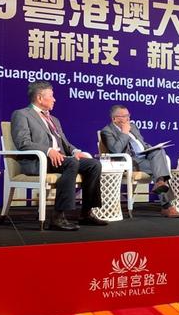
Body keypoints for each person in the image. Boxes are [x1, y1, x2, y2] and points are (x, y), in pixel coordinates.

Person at [11, 81, 107, 230]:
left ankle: (86, 213)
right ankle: (58, 217)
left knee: (93, 164)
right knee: (71, 163)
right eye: (51, 96)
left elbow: (65, 144)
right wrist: (48, 151)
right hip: (39, 161)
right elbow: (22, 143)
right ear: (39, 98)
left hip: (61, 160)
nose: (54, 99)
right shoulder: (22, 114)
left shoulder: (53, 119)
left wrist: (75, 152)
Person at [101, 104, 179, 218]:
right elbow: (116, 150)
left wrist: (151, 148)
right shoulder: (107, 131)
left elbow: (141, 143)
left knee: (159, 151)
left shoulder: (133, 126)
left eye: (128, 115)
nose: (128, 118)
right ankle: (167, 206)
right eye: (124, 116)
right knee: (159, 170)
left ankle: (160, 183)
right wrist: (124, 133)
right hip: (128, 162)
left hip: (143, 156)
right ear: (114, 119)